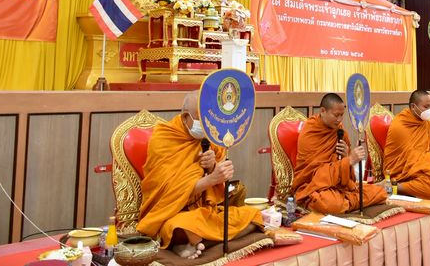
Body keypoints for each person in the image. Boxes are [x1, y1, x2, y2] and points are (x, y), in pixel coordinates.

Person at [137, 92, 262, 259]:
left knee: (254, 216)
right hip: (171, 214)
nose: (206, 126)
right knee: (178, 226)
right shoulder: (164, 138)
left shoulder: (209, 138)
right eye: (201, 120)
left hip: (204, 212)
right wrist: (210, 180)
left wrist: (213, 167)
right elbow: (167, 192)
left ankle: (196, 242)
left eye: (209, 120)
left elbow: (218, 189)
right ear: (185, 117)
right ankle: (200, 240)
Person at [292, 93, 388, 214]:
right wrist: (349, 160)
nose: (339, 119)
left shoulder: (340, 132)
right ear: (323, 111)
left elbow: (350, 178)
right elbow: (316, 175)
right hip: (314, 187)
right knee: (330, 203)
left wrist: (345, 156)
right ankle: (350, 202)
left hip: (339, 186)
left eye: (342, 115)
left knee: (380, 192)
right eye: (336, 115)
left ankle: (347, 203)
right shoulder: (310, 132)